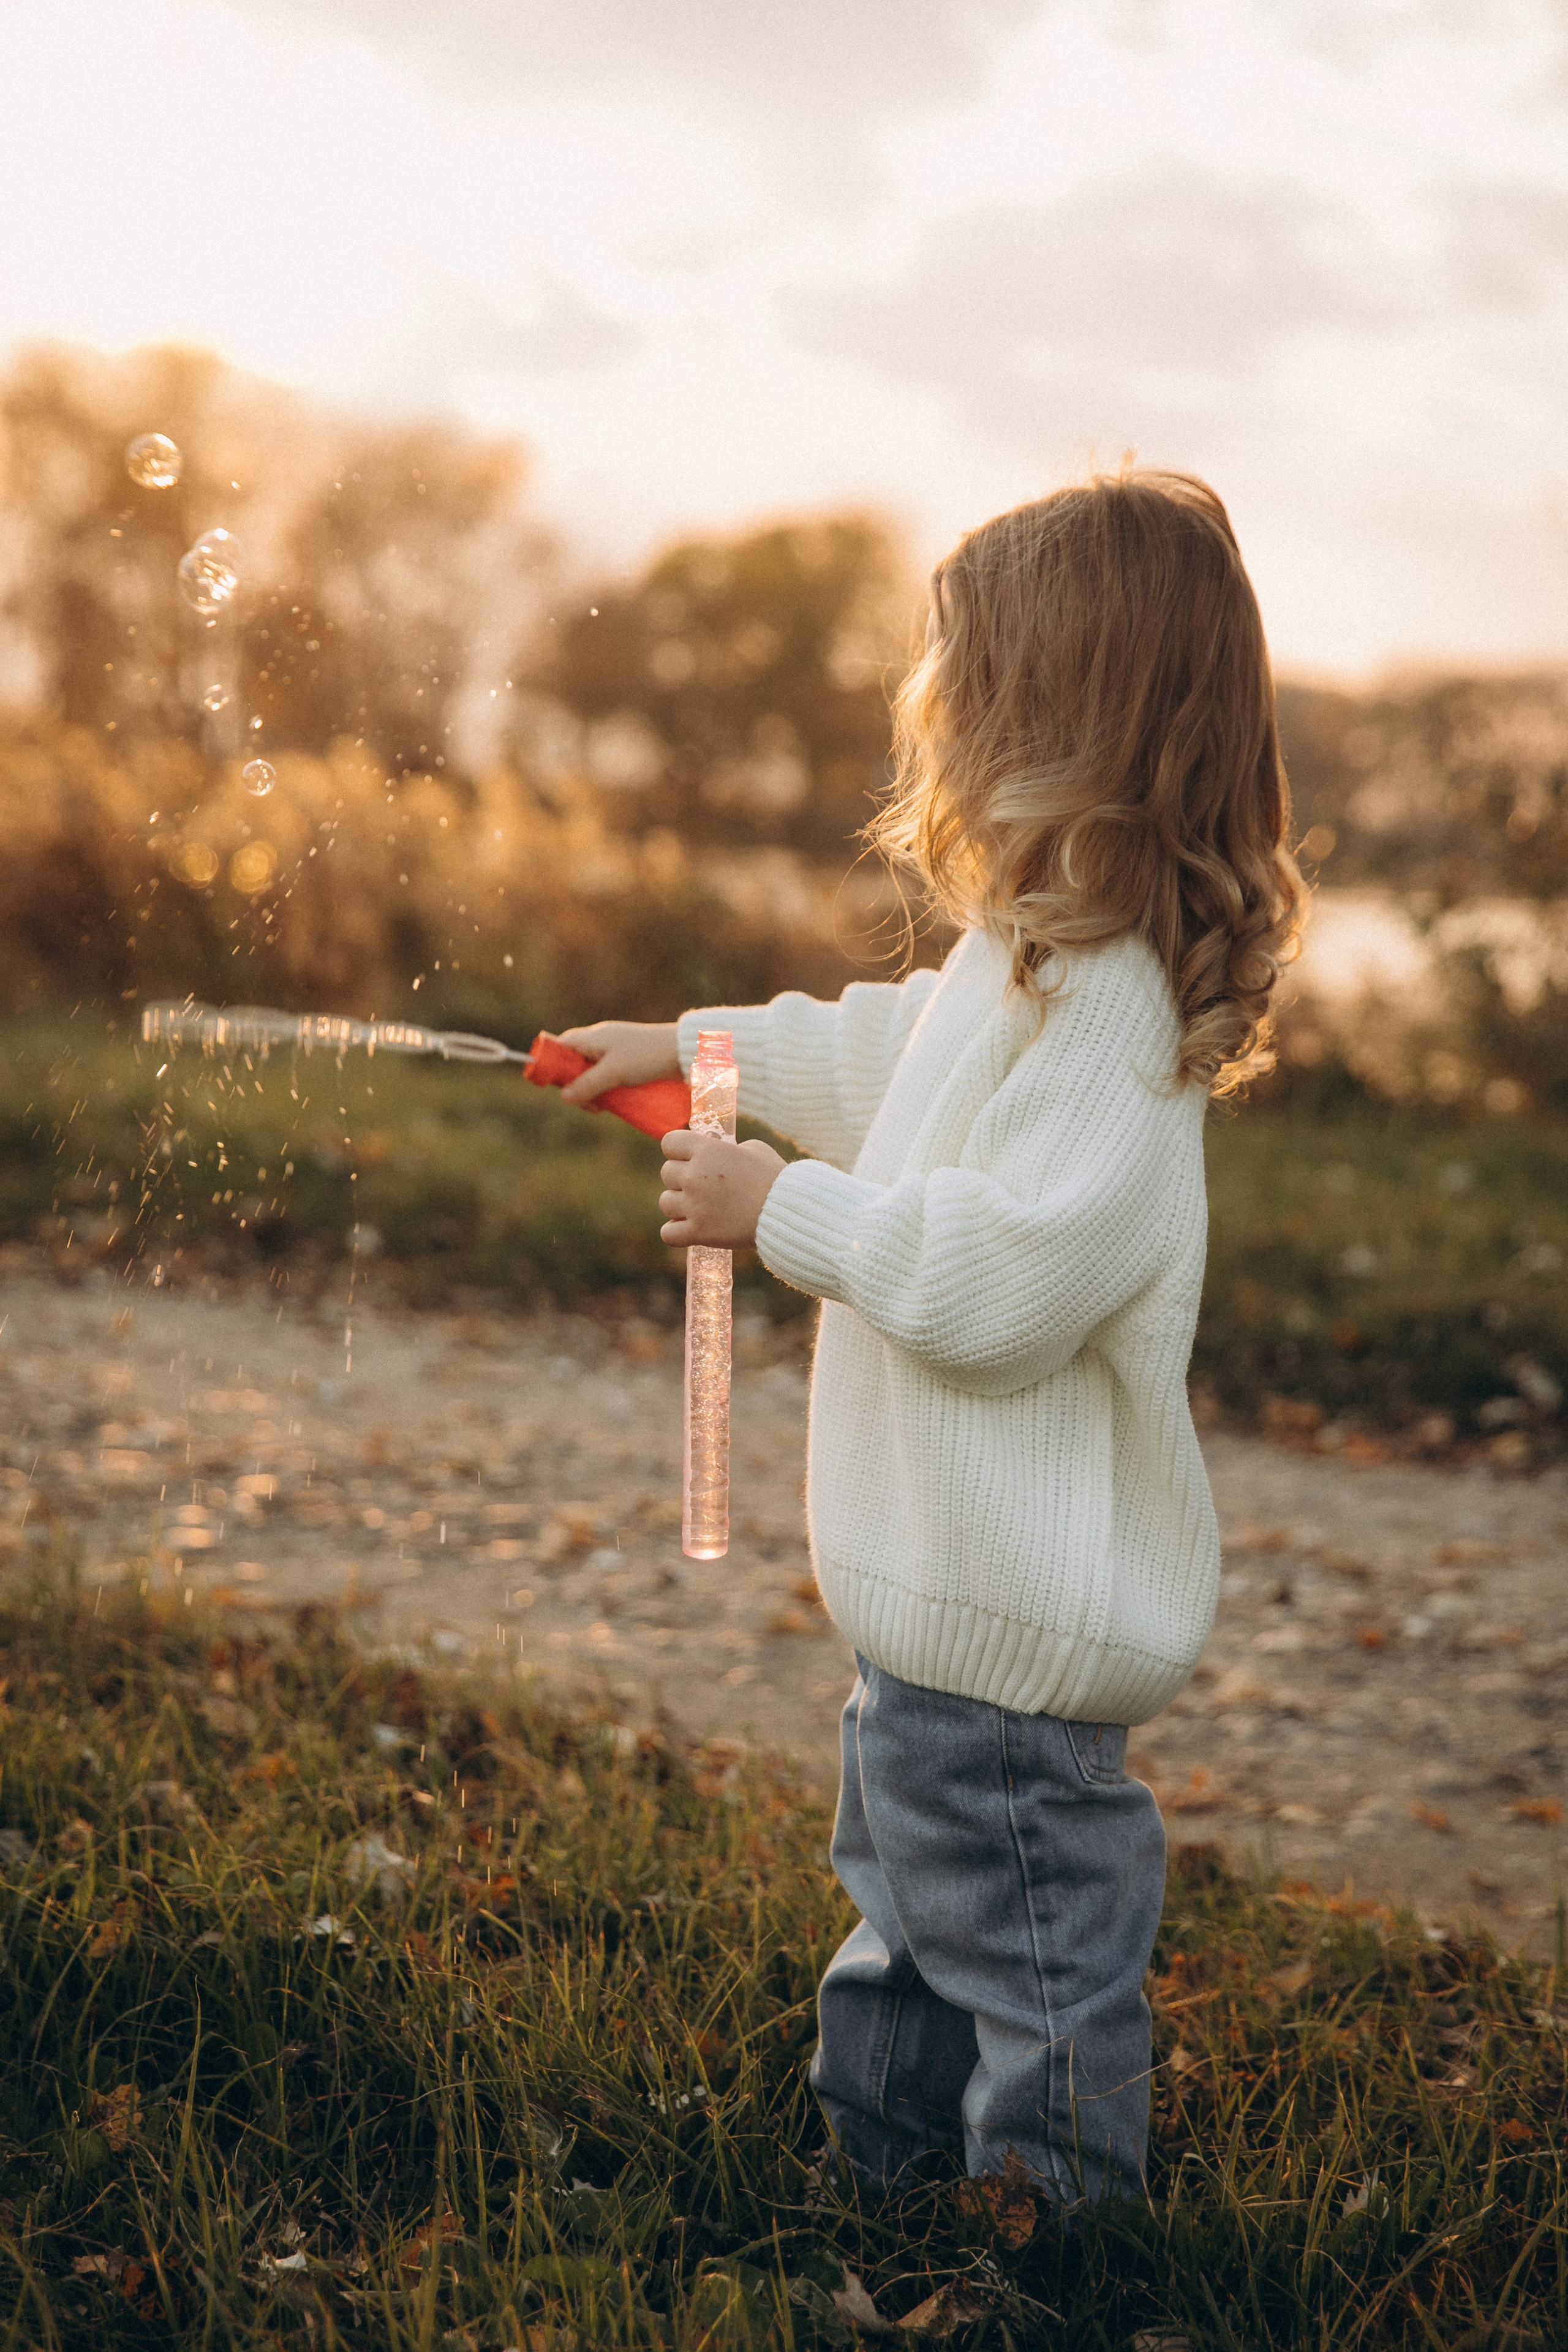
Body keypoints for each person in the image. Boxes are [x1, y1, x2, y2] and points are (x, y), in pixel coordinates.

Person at [556, 470, 1303, 2206]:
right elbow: (879, 1052)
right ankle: (888, 2204)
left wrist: (776, 1211)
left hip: (1018, 1659)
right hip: (935, 1638)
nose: (941, 718)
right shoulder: (1024, 959)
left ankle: (1052, 2246)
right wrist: (686, 1046)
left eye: (967, 683)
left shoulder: (1111, 1016)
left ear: (1064, 717)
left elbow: (997, 1289)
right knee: (906, 1940)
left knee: (1033, 1977)